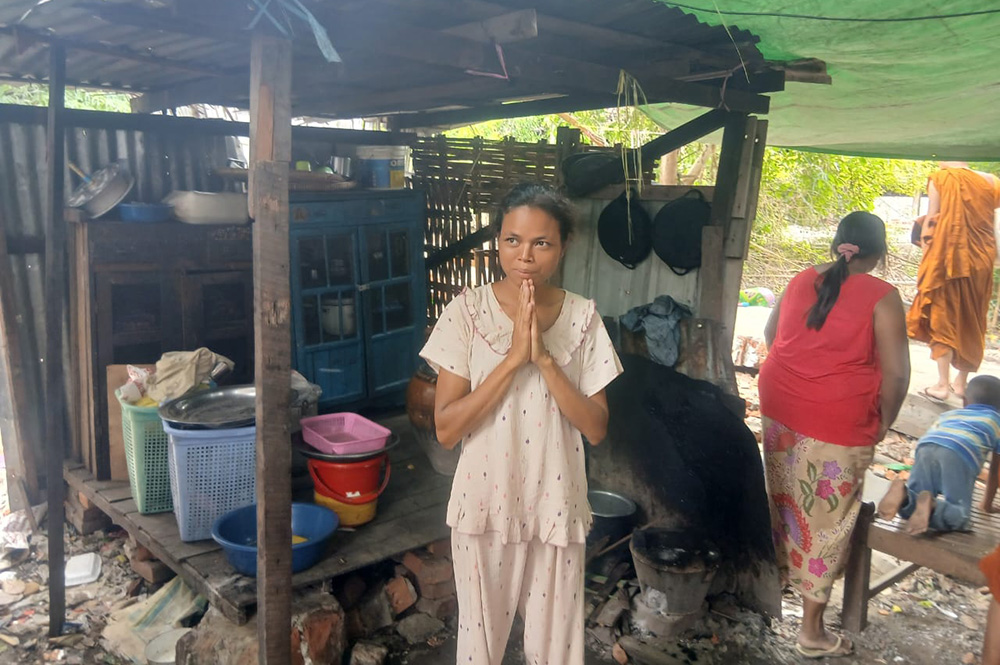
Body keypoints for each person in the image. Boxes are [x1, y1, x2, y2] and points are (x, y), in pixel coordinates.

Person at [420, 183, 623, 665]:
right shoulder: (466, 313)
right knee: (480, 646)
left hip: (556, 502)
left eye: (541, 242)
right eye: (512, 240)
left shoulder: (583, 319)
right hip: (484, 502)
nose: (525, 256)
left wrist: (545, 360)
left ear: (564, 245)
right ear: (498, 240)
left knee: (556, 649)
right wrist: (513, 359)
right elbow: (446, 429)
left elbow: (596, 428)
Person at [760, 211, 911, 659]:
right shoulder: (883, 297)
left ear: (837, 243)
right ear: (879, 254)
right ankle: (811, 631)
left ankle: (779, 582)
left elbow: (771, 334)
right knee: (827, 521)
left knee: (785, 499)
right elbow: (897, 374)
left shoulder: (799, 279)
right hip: (838, 419)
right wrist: (883, 421)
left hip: (780, 406)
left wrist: (799, 378)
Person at [908, 161, 1000, 401]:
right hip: (981, 259)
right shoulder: (992, 182)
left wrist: (927, 256)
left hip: (947, 259)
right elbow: (992, 221)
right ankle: (961, 383)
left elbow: (932, 220)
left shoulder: (941, 179)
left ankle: (942, 384)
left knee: (943, 317)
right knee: (973, 318)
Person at [877, 375, 1000, 534]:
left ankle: (904, 495)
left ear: (965, 401)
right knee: (960, 516)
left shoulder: (950, 415)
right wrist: (986, 505)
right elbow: (996, 471)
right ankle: (933, 506)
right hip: (959, 451)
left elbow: (935, 438)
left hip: (926, 446)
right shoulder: (996, 421)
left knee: (915, 501)